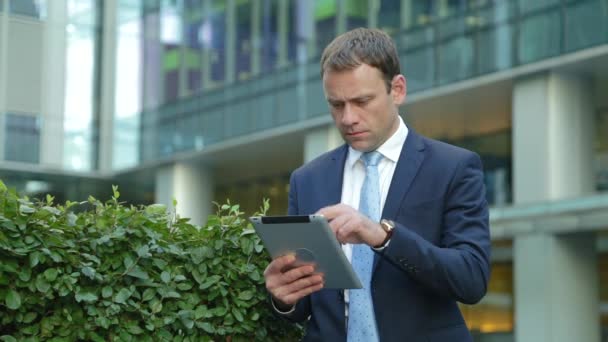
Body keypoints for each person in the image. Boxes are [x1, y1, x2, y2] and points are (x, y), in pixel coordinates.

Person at [263, 27, 491, 342]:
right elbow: (305, 304)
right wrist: (283, 297)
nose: (348, 118)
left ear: (397, 89)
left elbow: (471, 279)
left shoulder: (453, 167)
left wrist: (381, 236)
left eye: (362, 101)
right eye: (336, 104)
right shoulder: (307, 179)